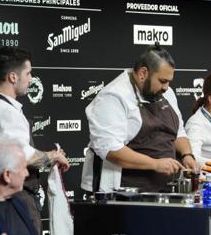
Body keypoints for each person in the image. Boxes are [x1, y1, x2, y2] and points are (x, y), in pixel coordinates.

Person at [82, 43, 198, 193]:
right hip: (121, 192)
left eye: (169, 82)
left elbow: (179, 132)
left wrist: (187, 154)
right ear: (143, 73)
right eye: (163, 81)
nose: (167, 87)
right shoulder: (113, 96)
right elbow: (111, 151)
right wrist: (155, 164)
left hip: (162, 189)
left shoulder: (165, 93)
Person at [0, 46, 70, 233]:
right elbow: (23, 157)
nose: (31, 79)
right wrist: (53, 156)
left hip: (5, 199)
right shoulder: (6, 113)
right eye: (28, 73)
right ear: (13, 77)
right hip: (15, 200)